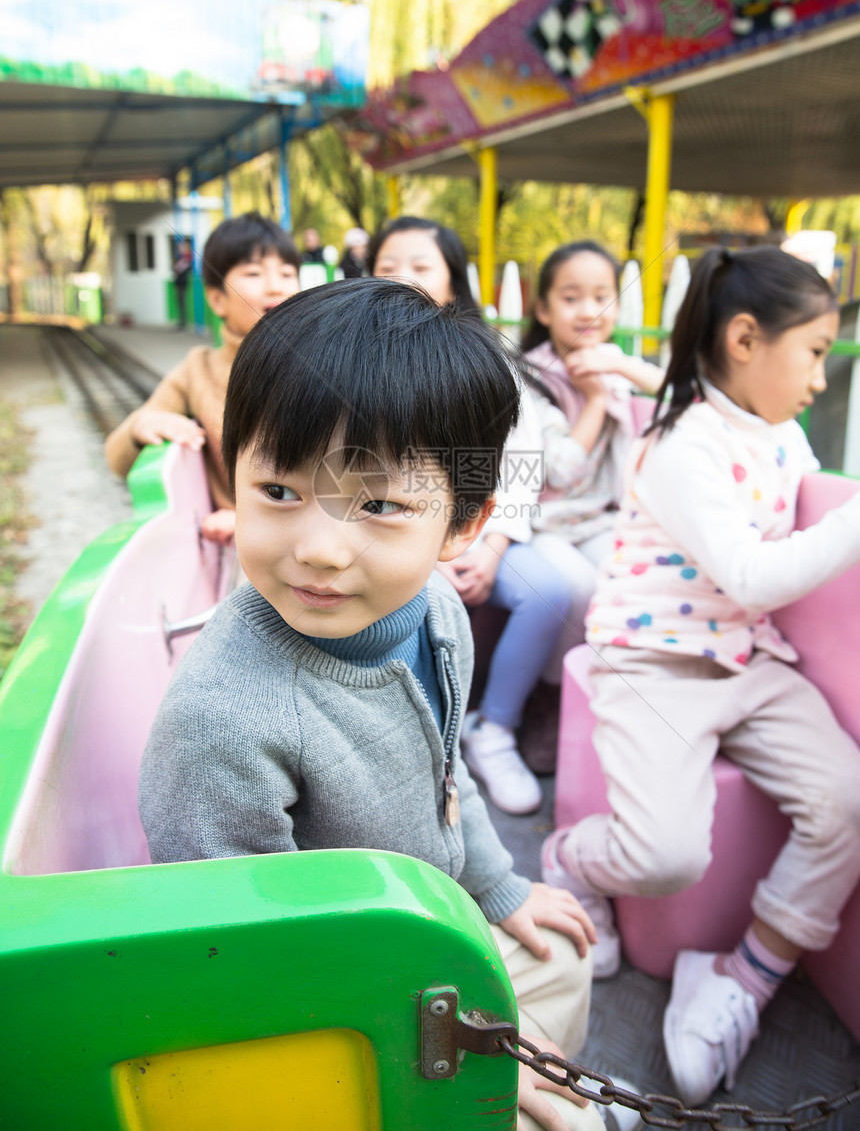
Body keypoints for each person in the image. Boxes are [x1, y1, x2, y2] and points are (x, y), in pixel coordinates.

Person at [138, 279, 610, 1131]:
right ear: (234, 475)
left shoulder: (435, 614)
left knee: (567, 958)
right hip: (331, 1009)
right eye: (278, 491)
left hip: (417, 925)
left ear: (464, 525)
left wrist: (499, 887)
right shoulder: (223, 723)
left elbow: (443, 771)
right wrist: (454, 1070)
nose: (318, 549)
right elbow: (249, 972)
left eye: (381, 506)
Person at [542, 245, 860, 1103]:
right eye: (818, 351)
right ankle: (570, 858)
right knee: (665, 854)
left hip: (750, 660)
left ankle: (745, 975)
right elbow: (751, 573)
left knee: (848, 799)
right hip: (654, 662)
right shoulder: (682, 443)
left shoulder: (784, 436)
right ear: (748, 339)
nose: (823, 380)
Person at [369, 217, 573, 817]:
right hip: (395, 539)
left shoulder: (491, 363)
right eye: (388, 265)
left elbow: (521, 464)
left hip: (480, 533)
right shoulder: (356, 362)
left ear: (453, 283)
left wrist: (492, 548)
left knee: (552, 590)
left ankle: (496, 728)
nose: (403, 277)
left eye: (421, 265)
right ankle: (411, 748)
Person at [519, 242, 663, 777]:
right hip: (542, 522)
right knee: (577, 587)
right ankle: (550, 699)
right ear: (544, 309)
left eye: (603, 297)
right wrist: (596, 400)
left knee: (627, 580)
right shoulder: (528, 377)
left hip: (600, 518)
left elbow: (689, 407)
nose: (589, 311)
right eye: (572, 297)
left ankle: (614, 703)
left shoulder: (616, 369)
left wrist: (619, 370)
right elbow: (559, 472)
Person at [105, 212, 300, 545]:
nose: (276, 285)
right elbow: (117, 459)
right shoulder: (198, 370)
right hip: (236, 555)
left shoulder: (326, 359)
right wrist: (141, 426)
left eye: (287, 273)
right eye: (254, 273)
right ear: (217, 299)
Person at [172, 237, 193, 330]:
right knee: (180, 303)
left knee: (182, 303)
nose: (180, 249)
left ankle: (183, 322)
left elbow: (177, 269)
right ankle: (181, 321)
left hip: (182, 283)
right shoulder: (182, 259)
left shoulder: (186, 259)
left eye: (181, 247)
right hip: (179, 283)